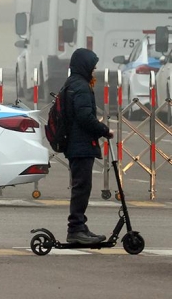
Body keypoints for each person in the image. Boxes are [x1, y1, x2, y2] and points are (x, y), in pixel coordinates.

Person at [63, 48, 113, 244]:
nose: (94, 70)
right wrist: (104, 130)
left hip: (76, 143)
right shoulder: (81, 87)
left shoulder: (72, 83)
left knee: (82, 186)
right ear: (84, 65)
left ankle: (80, 226)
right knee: (82, 187)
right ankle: (75, 229)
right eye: (92, 66)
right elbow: (84, 117)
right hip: (80, 145)